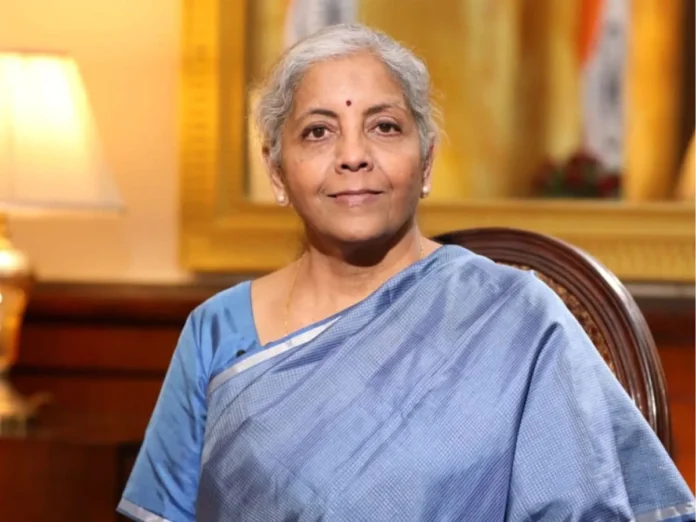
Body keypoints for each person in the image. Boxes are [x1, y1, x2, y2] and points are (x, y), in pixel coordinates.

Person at [117, 23, 694, 522]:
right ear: (277, 171)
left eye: (385, 127)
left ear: (427, 160)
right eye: (318, 131)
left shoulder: (517, 317)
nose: (353, 156)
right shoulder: (216, 333)